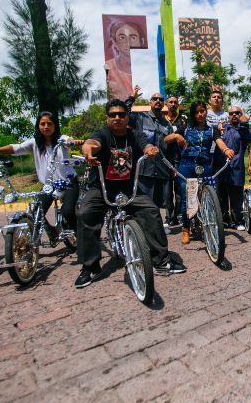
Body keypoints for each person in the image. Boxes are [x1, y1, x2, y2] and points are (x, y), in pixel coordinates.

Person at [75, 99, 186, 288]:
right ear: (107, 117)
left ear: (128, 117)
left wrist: (150, 149)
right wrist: (88, 151)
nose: (117, 118)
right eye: (113, 115)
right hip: (101, 189)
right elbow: (92, 143)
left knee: (151, 211)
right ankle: (90, 267)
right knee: (86, 213)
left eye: (121, 114)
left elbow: (145, 144)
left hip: (129, 188)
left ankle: (161, 259)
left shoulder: (135, 134)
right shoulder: (103, 133)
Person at [0, 112, 83, 242]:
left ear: (55, 126)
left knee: (68, 212)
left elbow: (68, 140)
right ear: (38, 126)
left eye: (50, 123)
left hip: (68, 182)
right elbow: (15, 148)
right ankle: (41, 238)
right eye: (42, 124)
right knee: (37, 212)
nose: (46, 126)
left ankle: (82, 238)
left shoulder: (61, 139)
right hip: (49, 185)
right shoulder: (35, 143)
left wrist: (74, 142)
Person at [165, 101, 235, 244]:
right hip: (187, 166)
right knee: (188, 198)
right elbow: (166, 139)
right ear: (193, 114)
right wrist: (176, 136)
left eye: (202, 111)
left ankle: (205, 225)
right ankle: (186, 228)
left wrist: (226, 150)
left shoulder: (212, 129)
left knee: (207, 196)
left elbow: (219, 142)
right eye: (197, 112)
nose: (200, 114)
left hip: (205, 166)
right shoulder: (185, 128)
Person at [127, 88, 175, 235]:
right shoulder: (139, 118)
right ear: (150, 102)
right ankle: (141, 229)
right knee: (143, 201)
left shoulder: (166, 125)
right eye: (155, 99)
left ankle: (157, 227)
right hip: (144, 168)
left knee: (159, 201)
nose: (158, 101)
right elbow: (124, 113)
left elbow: (169, 149)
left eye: (161, 99)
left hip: (161, 168)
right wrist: (131, 98)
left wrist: (172, 167)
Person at [215, 105, 251, 230]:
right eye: (232, 113)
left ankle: (237, 220)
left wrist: (245, 124)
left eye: (237, 113)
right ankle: (225, 220)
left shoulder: (243, 129)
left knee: (236, 195)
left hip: (236, 166)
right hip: (221, 167)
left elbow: (248, 139)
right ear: (228, 115)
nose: (234, 115)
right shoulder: (222, 128)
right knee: (222, 195)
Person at [164, 94, 187, 226]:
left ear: (178, 105)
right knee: (167, 191)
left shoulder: (183, 120)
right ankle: (169, 216)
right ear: (166, 104)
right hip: (165, 159)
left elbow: (185, 132)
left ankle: (178, 214)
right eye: (170, 102)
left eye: (175, 102)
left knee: (179, 188)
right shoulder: (162, 120)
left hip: (180, 158)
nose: (173, 104)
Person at [105, 20, 143, 99]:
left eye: (133, 37)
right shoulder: (109, 68)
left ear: (141, 42)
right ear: (114, 42)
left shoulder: (145, 71)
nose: (127, 42)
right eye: (122, 37)